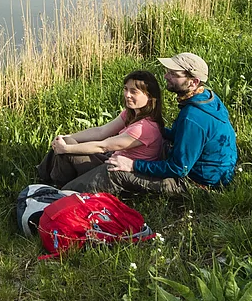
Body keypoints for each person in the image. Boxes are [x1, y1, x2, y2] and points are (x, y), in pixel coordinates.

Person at [67, 51, 237, 197]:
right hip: (202, 168)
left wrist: (133, 165)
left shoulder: (193, 117)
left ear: (193, 82)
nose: (166, 76)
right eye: (168, 71)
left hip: (197, 182)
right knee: (129, 150)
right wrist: (153, 128)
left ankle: (64, 196)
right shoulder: (206, 97)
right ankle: (71, 180)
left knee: (114, 172)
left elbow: (179, 168)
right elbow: (182, 136)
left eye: (173, 74)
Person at [35, 70, 165, 188]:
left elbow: (104, 146)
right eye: (126, 89)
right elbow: (101, 131)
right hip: (112, 158)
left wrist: (66, 148)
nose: (127, 95)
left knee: (66, 148)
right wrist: (69, 136)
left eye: (134, 91)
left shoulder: (144, 128)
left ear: (149, 96)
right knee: (65, 140)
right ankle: (42, 176)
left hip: (116, 170)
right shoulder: (130, 114)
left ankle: (55, 185)